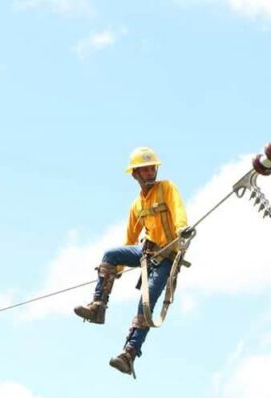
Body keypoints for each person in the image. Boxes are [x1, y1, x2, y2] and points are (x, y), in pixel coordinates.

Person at [74, 146, 188, 378]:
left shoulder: (166, 188)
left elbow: (178, 210)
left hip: (166, 257)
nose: (149, 173)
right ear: (135, 174)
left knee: (145, 306)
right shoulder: (137, 205)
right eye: (143, 170)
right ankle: (98, 307)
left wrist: (181, 229)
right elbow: (129, 240)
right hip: (146, 252)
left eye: (151, 168)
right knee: (111, 255)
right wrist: (115, 271)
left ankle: (129, 354)